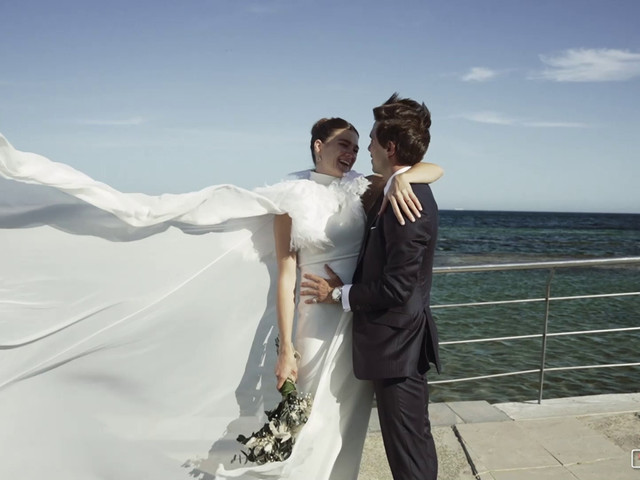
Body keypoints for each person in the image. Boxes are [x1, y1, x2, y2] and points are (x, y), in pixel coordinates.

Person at [0, 116, 442, 480]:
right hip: (316, 320)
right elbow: (286, 275)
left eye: (354, 145)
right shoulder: (291, 196)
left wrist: (406, 178)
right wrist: (285, 348)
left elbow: (431, 170)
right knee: (312, 419)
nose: (350, 153)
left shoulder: (365, 187)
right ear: (316, 146)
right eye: (342, 144)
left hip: (356, 321)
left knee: (345, 418)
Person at [303, 94, 440, 480]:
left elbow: (396, 289)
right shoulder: (394, 187)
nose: (366, 149)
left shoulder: (406, 203)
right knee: (409, 443)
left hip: (399, 347)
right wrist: (402, 176)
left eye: (372, 142)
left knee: (409, 450)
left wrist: (337, 294)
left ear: (389, 147)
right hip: (394, 343)